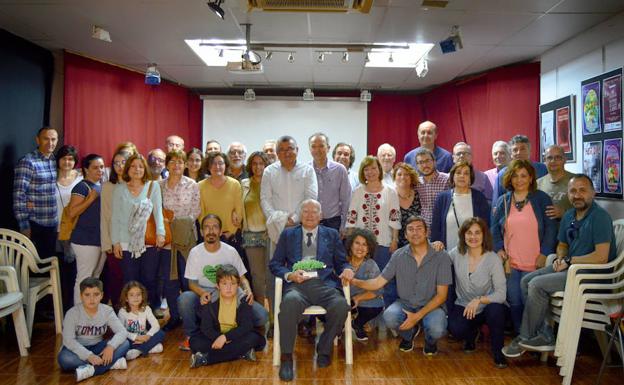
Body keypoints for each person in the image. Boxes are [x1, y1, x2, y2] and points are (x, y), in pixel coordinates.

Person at [502, 174, 617, 357]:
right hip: (571, 269)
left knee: (536, 284)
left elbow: (601, 257)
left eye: (582, 190)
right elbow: (562, 244)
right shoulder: (569, 215)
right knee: (526, 281)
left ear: (592, 193)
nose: (577, 195)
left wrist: (570, 261)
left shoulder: (600, 217)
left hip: (590, 276)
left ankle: (526, 335)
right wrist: (560, 258)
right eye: (572, 191)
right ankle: (545, 333)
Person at [269, 199, 354, 381]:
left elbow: (342, 262)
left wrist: (348, 269)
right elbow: (275, 264)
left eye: (314, 211)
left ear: (321, 215)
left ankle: (324, 348)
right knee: (290, 304)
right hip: (297, 285)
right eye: (305, 211)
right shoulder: (288, 234)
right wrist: (290, 275)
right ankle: (286, 358)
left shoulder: (331, 234)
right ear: (300, 215)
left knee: (341, 306)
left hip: (324, 285)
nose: (309, 215)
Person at [351, 216, 452, 355]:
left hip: (432, 305)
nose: (415, 233)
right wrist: (354, 281)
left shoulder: (442, 257)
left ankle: (430, 342)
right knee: (389, 317)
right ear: (405, 234)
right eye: (410, 229)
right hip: (405, 304)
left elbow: (441, 296)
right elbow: (378, 282)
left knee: (437, 328)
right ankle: (408, 336)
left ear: (426, 232)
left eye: (419, 229)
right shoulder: (398, 255)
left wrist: (416, 317)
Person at [177, 214, 268, 351]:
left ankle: (236, 329)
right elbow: (192, 284)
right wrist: (202, 293)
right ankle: (191, 336)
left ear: (220, 231)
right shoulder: (195, 252)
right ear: (201, 232)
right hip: (206, 290)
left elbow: (242, 278)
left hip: (231, 290)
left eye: (214, 227)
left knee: (262, 316)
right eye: (207, 228)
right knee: (184, 299)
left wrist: (248, 291)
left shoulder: (230, 251)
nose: (211, 231)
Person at [491, 159, 557, 333]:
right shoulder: (502, 201)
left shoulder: (542, 198)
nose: (519, 180)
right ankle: (520, 335)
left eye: (523, 176)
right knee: (515, 300)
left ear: (530, 178)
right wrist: (499, 249)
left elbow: (551, 228)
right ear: (509, 179)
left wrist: (545, 253)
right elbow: (494, 229)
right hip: (510, 264)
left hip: (535, 262)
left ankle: (535, 336)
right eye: (515, 176)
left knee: (532, 302)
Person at [447, 217, 507, 368]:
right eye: (469, 233)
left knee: (497, 311)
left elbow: (501, 294)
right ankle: (471, 334)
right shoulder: (456, 253)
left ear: (484, 235)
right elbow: (438, 260)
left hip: (487, 305)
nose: (473, 237)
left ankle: (498, 352)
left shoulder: (493, 258)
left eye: (477, 233)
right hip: (464, 304)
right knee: (456, 330)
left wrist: (479, 300)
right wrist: (436, 245)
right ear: (463, 235)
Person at [111, 153, 165, 309]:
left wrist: (160, 233)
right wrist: (115, 242)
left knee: (149, 278)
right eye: (133, 166)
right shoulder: (119, 189)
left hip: (148, 240)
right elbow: (115, 218)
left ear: (145, 169)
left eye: (141, 166)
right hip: (126, 242)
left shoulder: (153, 186)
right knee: (130, 279)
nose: (137, 169)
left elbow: (158, 212)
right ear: (127, 169)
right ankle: (131, 312)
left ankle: (150, 309)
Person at [346, 155, 401, 307]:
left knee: (384, 280)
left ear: (379, 170)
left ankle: (386, 316)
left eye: (373, 168)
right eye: (366, 169)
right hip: (360, 246)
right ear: (362, 173)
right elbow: (352, 216)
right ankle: (365, 316)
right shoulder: (358, 191)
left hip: (383, 243)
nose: (370, 172)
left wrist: (394, 240)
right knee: (362, 279)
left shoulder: (390, 191)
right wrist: (348, 243)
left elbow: (394, 217)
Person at [189, 264, 265, 368]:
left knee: (255, 338)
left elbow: (246, 326)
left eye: (233, 284)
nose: (229, 288)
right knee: (194, 342)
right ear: (217, 285)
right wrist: (219, 338)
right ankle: (241, 353)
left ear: (238, 285)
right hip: (216, 336)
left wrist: (225, 338)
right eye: (224, 284)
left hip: (237, 336)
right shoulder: (210, 299)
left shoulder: (244, 299)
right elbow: (206, 328)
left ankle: (205, 359)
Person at [57, 278, 129, 382]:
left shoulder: (107, 311)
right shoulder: (72, 313)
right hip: (78, 349)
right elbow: (68, 340)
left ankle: (90, 370)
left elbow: (122, 332)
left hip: (98, 347)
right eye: (87, 295)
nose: (92, 299)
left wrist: (110, 347)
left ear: (102, 295)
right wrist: (89, 356)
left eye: (96, 294)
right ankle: (111, 364)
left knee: (125, 343)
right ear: (81, 296)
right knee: (64, 359)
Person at [159, 149, 200, 331]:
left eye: (180, 162)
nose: (177, 165)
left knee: (187, 279)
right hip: (166, 239)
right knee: (169, 280)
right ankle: (174, 317)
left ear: (185, 165)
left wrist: (179, 225)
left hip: (186, 239)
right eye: (173, 161)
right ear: (167, 164)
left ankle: (191, 316)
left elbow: (195, 211)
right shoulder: (158, 186)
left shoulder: (192, 185)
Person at [260, 135, 318, 253]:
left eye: (290, 148)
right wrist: (278, 220)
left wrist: (295, 218)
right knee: (278, 265)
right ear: (277, 153)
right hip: (276, 227)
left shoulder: (308, 170)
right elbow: (265, 199)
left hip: (302, 225)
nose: (286, 153)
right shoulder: (269, 172)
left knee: (303, 263)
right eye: (282, 149)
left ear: (297, 150)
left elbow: (310, 197)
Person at [13, 127, 59, 259]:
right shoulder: (28, 162)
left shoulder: (55, 161)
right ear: (37, 140)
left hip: (52, 223)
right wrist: (24, 225)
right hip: (35, 223)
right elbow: (18, 194)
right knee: (32, 267)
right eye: (46, 139)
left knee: (48, 264)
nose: (50, 143)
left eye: (53, 139)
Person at [68, 154, 106, 306]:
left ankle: (91, 312)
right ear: (86, 169)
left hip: (99, 239)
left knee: (95, 277)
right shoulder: (82, 186)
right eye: (95, 167)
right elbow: (72, 212)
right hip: (85, 240)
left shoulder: (100, 186)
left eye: (102, 167)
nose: (100, 170)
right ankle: (78, 315)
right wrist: (90, 199)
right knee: (84, 278)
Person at [431, 161, 490, 251]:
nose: (462, 176)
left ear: (470, 178)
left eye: (466, 173)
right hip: (447, 254)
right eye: (458, 173)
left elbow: (486, 226)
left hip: (474, 254)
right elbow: (435, 228)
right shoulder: (442, 198)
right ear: (452, 176)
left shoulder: (479, 198)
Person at [100, 148, 132, 308]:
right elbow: (105, 217)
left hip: (134, 242)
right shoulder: (108, 186)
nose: (119, 166)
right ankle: (118, 311)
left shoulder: (137, 184)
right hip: (115, 241)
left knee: (133, 279)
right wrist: (107, 244)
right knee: (117, 278)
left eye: (123, 162)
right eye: (116, 163)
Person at [54, 145, 82, 311]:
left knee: (75, 272)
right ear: (58, 160)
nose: (67, 161)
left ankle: (74, 307)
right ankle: (61, 309)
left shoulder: (81, 178)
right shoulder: (52, 177)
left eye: (70, 159)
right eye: (64, 158)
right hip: (55, 231)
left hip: (76, 231)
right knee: (60, 272)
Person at [241, 151, 270, 305]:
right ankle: (260, 314)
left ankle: (273, 315)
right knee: (257, 276)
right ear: (250, 165)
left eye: (261, 163)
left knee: (271, 275)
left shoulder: (272, 182)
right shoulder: (243, 184)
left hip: (270, 234)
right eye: (254, 163)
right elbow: (238, 207)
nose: (258, 167)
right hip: (251, 235)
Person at [345, 228, 383, 341]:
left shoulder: (371, 265)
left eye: (364, 245)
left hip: (363, 301)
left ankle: (357, 324)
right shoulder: (342, 262)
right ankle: (339, 326)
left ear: (368, 249)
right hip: (342, 300)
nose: (360, 248)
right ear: (351, 245)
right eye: (357, 243)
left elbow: (377, 290)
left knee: (377, 305)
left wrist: (357, 298)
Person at [198, 152, 243, 247]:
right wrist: (209, 231)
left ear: (226, 165)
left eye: (220, 163)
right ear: (208, 166)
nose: (217, 166)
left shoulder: (235, 184)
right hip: (209, 235)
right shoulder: (200, 186)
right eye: (213, 163)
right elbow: (201, 213)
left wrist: (231, 231)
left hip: (231, 235)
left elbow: (239, 210)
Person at [309, 133, 351, 233]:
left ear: (328, 148)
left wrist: (344, 225)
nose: (317, 150)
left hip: (333, 223)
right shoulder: (305, 170)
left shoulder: (340, 170)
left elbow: (346, 200)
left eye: (321, 146)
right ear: (310, 149)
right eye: (313, 146)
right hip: (310, 222)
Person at [492, 135, 548, 207]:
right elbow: (496, 205)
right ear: (511, 154)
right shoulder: (502, 174)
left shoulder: (542, 169)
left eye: (523, 149)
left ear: (530, 151)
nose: (519, 152)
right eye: (515, 150)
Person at [118, 281, 165, 360]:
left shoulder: (146, 308)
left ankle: (139, 351)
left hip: (145, 338)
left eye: (138, 294)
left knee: (161, 333)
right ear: (126, 298)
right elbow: (121, 331)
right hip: (131, 339)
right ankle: (148, 348)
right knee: (123, 341)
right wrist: (136, 337)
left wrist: (147, 336)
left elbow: (156, 325)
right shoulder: (123, 311)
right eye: (131, 295)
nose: (135, 297)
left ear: (142, 296)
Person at [414, 148, 450, 228]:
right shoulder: (416, 183)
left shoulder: (447, 179)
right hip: (424, 229)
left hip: (444, 226)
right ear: (417, 166)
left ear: (434, 161)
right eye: (421, 162)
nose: (425, 165)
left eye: (427, 161)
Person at [537, 145, 574, 223]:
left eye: (557, 157)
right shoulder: (538, 183)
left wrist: (564, 213)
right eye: (549, 158)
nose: (553, 161)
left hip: (569, 232)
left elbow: (587, 211)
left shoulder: (576, 181)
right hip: (545, 233)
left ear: (565, 159)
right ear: (544, 160)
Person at [392, 162, 421, 248]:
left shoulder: (419, 195)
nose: (403, 177)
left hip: (417, 242)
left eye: (406, 174)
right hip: (394, 244)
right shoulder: (390, 195)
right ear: (394, 178)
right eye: (399, 174)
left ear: (411, 177)